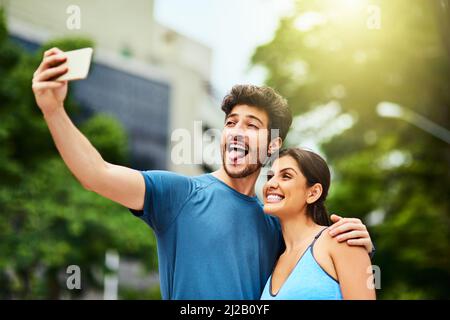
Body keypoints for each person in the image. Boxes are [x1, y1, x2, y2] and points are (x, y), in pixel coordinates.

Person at [31, 47, 375, 299]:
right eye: (230, 123)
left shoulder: (276, 225)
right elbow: (96, 174)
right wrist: (53, 109)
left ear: (272, 146)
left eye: (252, 125)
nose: (237, 131)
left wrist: (354, 243)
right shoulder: (177, 195)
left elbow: (322, 266)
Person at [261, 148, 376, 300]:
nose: (271, 183)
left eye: (286, 176)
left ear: (313, 193)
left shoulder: (340, 239)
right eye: (270, 176)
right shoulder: (276, 258)